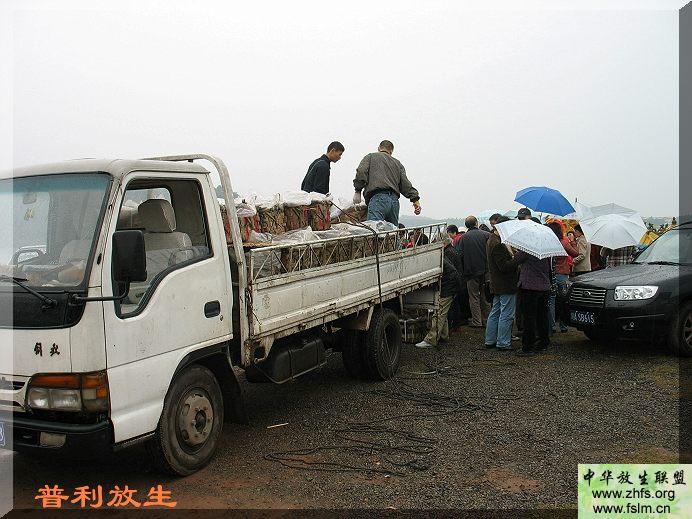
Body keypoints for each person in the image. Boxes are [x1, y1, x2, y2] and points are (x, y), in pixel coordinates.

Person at [353, 140, 421, 226]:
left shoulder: (370, 157)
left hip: (378, 198)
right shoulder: (398, 164)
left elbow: (361, 171)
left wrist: (358, 190)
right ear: (391, 151)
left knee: (374, 229)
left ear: (379, 148)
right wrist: (415, 200)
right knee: (392, 232)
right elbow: (405, 183)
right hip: (394, 202)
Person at [417, 235, 463, 349]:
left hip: (449, 286)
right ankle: (443, 335)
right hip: (453, 284)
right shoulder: (441, 254)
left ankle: (431, 340)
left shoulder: (437, 256)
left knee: (439, 312)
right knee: (442, 310)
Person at [484, 216, 519, 351]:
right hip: (505, 283)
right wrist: (516, 259)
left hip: (497, 283)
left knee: (496, 312)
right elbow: (504, 266)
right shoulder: (497, 243)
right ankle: (503, 342)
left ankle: (490, 340)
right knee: (506, 314)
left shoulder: (492, 239)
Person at [514, 249, 552, 355]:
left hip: (530, 287)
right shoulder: (546, 250)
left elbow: (516, 259)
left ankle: (528, 346)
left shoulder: (528, 249)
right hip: (544, 286)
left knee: (529, 318)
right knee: (542, 317)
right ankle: (543, 342)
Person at [456, 216, 490, 328]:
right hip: (486, 271)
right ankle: (487, 320)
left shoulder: (463, 238)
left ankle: (477, 321)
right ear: (476, 223)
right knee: (485, 296)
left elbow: (459, 255)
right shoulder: (486, 235)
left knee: (473, 297)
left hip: (470, 272)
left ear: (466, 225)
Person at [547, 221, 578, 333]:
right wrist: (572, 241)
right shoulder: (563, 242)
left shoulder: (548, 243)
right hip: (563, 274)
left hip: (551, 274)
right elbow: (575, 253)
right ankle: (563, 325)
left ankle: (551, 326)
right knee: (564, 300)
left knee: (551, 300)